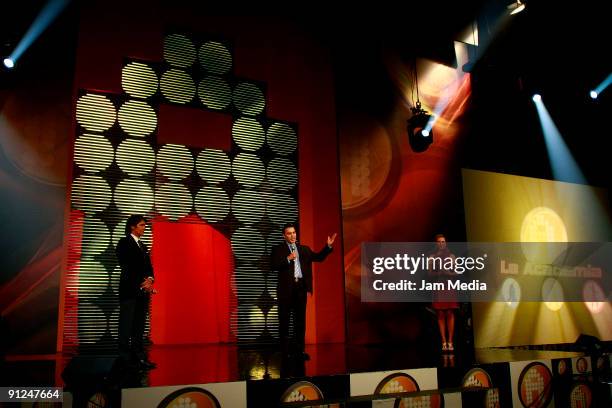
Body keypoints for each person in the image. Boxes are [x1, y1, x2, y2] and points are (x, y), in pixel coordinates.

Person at [271, 223, 337, 360]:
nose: (292, 235)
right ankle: (284, 351)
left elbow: (319, 257)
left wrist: (328, 246)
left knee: (300, 321)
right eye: (289, 233)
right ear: (284, 236)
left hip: (300, 289)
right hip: (285, 290)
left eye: (294, 232)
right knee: (284, 321)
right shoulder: (278, 249)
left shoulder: (304, 250)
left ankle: (299, 351)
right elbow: (273, 265)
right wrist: (288, 259)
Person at [116, 214, 157, 369]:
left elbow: (148, 267)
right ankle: (125, 359)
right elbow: (127, 266)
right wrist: (142, 282)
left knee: (139, 326)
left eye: (144, 225)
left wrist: (150, 280)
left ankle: (139, 358)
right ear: (132, 226)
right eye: (141, 225)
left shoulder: (143, 245)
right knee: (126, 325)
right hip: (129, 290)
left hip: (142, 292)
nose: (144, 227)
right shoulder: (124, 242)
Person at [429, 233, 459, 352]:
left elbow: (457, 273)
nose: (441, 243)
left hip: (449, 285)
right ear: (436, 244)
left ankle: (450, 341)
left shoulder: (452, 256)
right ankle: (444, 341)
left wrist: (447, 273)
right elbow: (429, 274)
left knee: (450, 312)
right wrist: (439, 273)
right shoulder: (432, 257)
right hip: (439, 286)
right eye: (439, 242)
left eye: (443, 241)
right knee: (440, 313)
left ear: (445, 243)